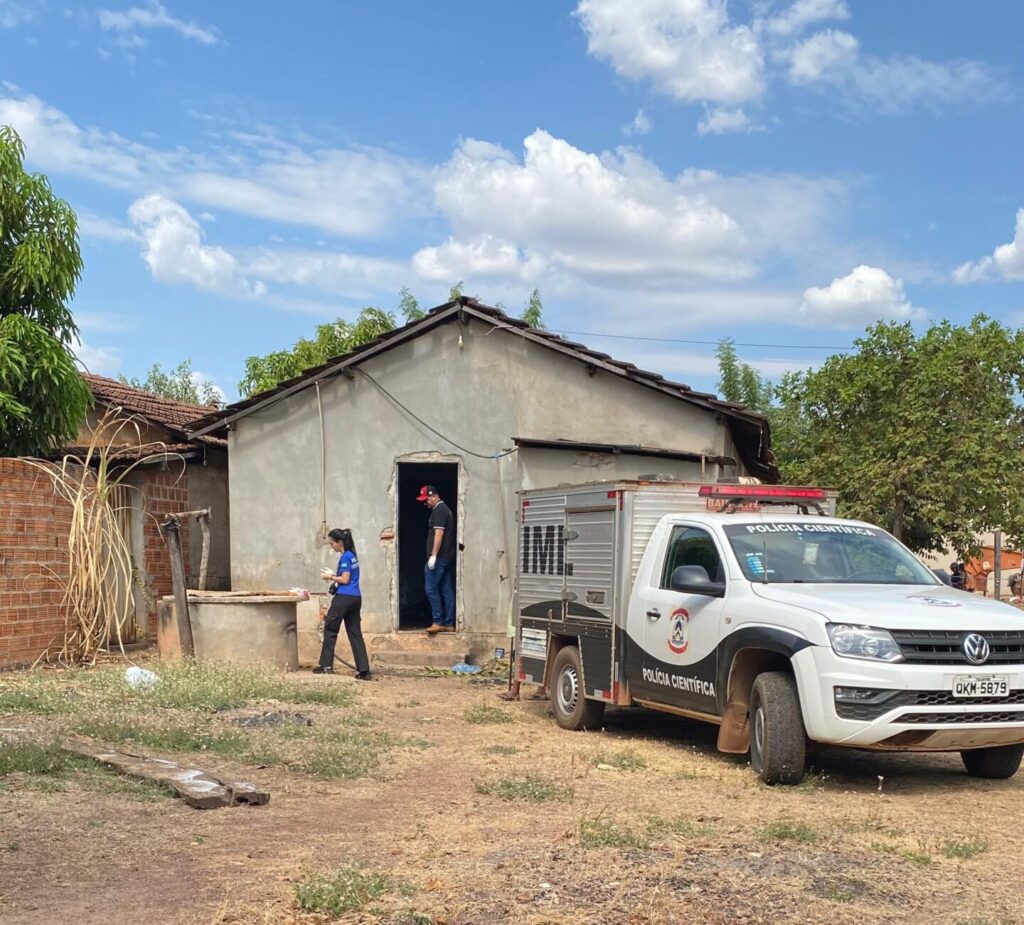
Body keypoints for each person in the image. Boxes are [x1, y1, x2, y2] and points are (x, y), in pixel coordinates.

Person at [314, 528, 372, 679]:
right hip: (355, 598)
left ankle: (326, 665)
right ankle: (364, 670)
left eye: (332, 543)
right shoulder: (353, 556)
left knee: (330, 629)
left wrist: (331, 576)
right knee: (355, 634)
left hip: (343, 598)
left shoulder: (345, 557)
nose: (331, 546)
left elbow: (345, 579)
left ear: (340, 542)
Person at [418, 484, 456, 633]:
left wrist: (433, 555)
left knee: (431, 588)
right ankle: (448, 623)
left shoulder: (439, 510)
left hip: (440, 557)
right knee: (446, 589)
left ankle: (438, 621)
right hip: (447, 556)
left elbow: (439, 534)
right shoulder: (445, 509)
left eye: (426, 499)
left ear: (434, 496)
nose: (425, 503)